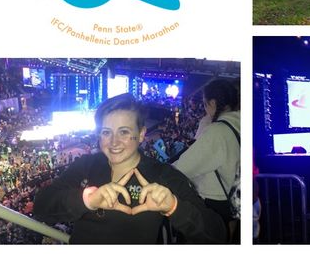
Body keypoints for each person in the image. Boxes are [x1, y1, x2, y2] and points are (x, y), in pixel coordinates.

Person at [33, 93, 226, 244]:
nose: (114, 142)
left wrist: (174, 207)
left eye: (124, 132)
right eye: (106, 132)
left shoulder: (164, 176)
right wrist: (86, 200)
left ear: (141, 134)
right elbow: (41, 207)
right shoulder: (87, 165)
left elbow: (216, 235)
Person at [173, 79, 240, 243]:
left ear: (213, 103)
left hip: (215, 202)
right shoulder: (240, 121)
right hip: (233, 198)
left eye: (205, 104)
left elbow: (182, 168)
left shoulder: (217, 131)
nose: (205, 109)